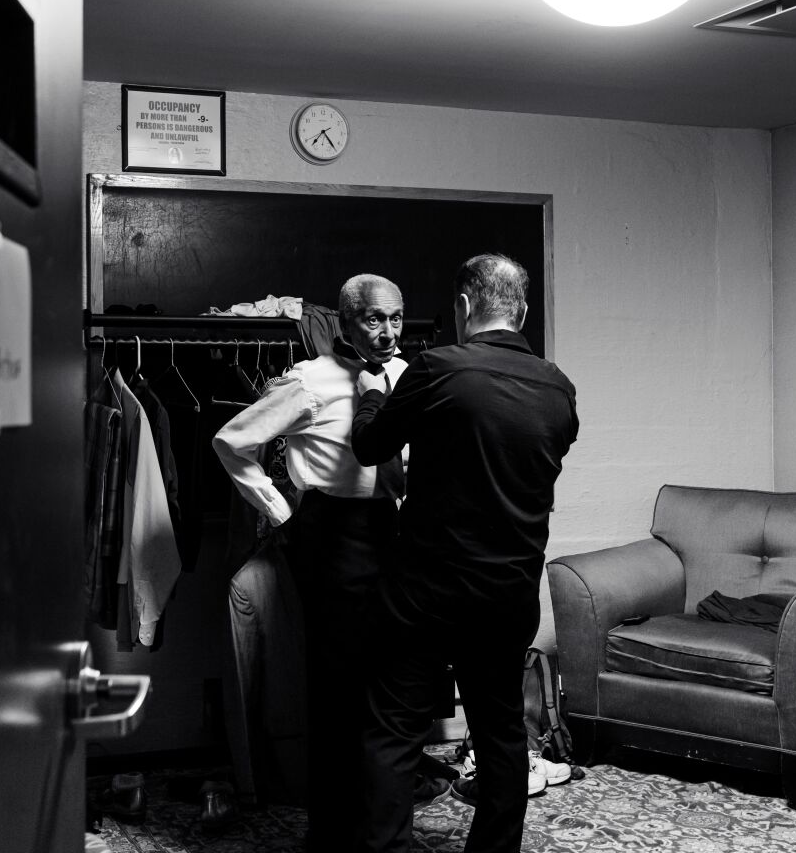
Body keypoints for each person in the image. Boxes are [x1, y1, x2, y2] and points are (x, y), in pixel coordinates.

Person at [350, 253, 579, 853]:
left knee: (393, 729)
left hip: (425, 590)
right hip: (507, 594)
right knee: (501, 730)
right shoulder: (559, 388)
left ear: (462, 307)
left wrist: (374, 392)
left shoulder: (435, 367)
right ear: (522, 311)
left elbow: (372, 446)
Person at [214, 273, 416, 853]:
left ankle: (378, 827)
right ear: (346, 322)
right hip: (332, 534)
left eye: (396, 318)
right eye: (374, 319)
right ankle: (329, 833)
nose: (387, 332)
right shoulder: (309, 381)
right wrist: (283, 513)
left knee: (389, 688)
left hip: (393, 533)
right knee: (335, 691)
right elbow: (232, 442)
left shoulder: (407, 378)